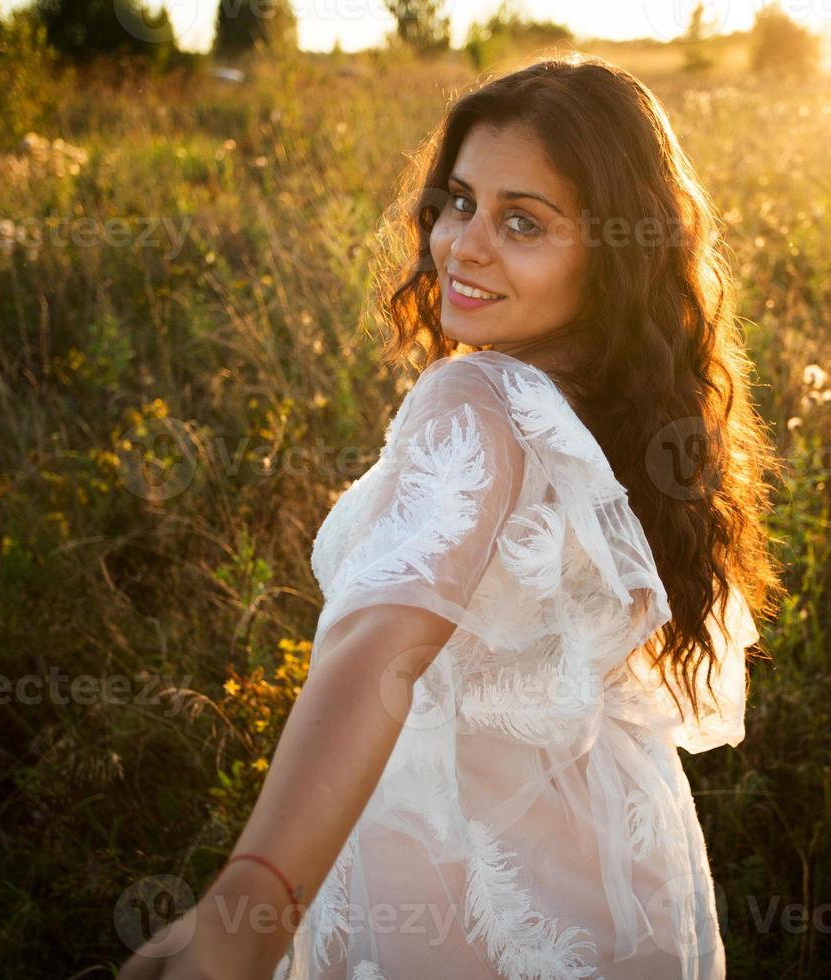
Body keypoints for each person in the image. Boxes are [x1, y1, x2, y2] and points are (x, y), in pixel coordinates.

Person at [118, 53, 783, 980]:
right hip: (618, 880)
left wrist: (244, 917)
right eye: (459, 201)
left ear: (614, 248)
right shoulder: (630, 403)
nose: (463, 244)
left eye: (523, 221)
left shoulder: (475, 398)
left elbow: (378, 654)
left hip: (472, 898)